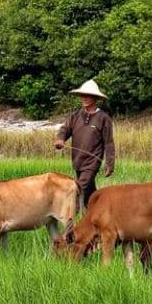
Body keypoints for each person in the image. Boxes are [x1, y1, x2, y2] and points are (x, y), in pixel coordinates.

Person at [54, 79, 114, 208]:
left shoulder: (104, 118)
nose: (84, 98)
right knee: (90, 195)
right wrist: (60, 139)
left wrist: (109, 164)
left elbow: (108, 143)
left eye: (88, 95)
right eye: (82, 95)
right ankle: (100, 211)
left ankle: (70, 219)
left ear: (95, 98)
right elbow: (65, 129)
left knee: (78, 189)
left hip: (92, 163)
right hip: (77, 161)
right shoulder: (75, 116)